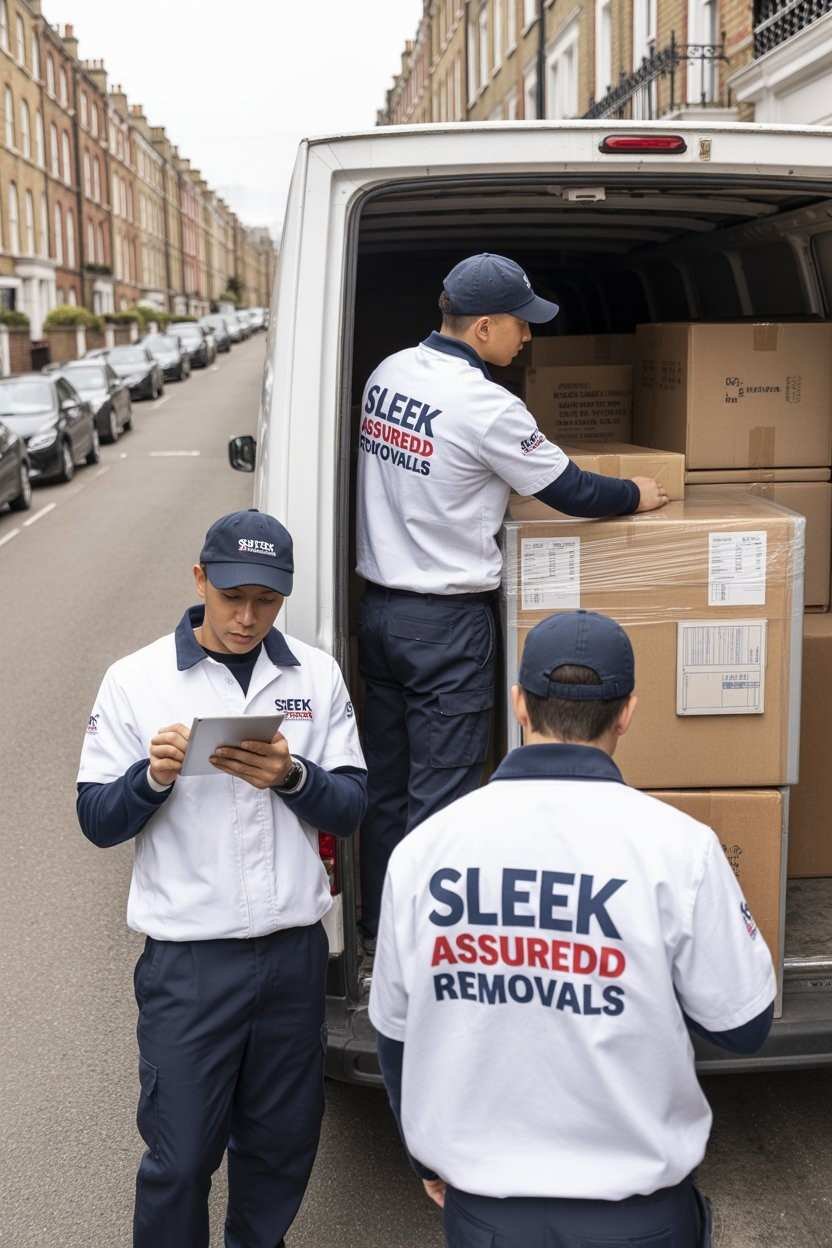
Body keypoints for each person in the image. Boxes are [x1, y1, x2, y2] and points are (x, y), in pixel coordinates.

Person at [369, 609, 775, 1248]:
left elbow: (395, 1031)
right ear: (627, 713)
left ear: (519, 704)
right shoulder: (679, 848)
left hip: (488, 1218)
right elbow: (744, 1026)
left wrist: (425, 1160)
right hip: (639, 1220)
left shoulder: (425, 849)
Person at [356, 252, 669, 946]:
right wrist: (638, 494)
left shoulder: (389, 373)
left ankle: (380, 926)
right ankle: (423, 948)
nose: (528, 337)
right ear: (484, 327)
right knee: (443, 796)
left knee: (389, 786)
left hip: (380, 613)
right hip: (444, 625)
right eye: (521, 324)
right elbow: (572, 490)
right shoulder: (486, 405)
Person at [76, 508, 367, 1248]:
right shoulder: (136, 680)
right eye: (232, 596)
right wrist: (150, 779)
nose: (247, 618)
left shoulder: (315, 675)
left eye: (266, 601)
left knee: (280, 1149)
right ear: (199, 578)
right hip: (190, 963)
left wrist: (294, 776)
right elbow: (97, 820)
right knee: (179, 1161)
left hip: (293, 955)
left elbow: (352, 806)